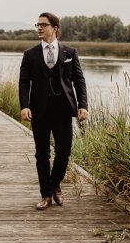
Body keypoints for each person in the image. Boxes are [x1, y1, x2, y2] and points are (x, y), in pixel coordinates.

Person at [18, 12, 88, 210]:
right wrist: (24, 105)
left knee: (64, 152)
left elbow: (79, 82)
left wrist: (83, 105)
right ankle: (46, 195)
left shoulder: (70, 53)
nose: (39, 28)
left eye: (43, 25)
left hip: (63, 110)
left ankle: (53, 184)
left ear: (55, 28)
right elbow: (24, 83)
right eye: (37, 25)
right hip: (39, 111)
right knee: (42, 154)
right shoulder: (30, 54)